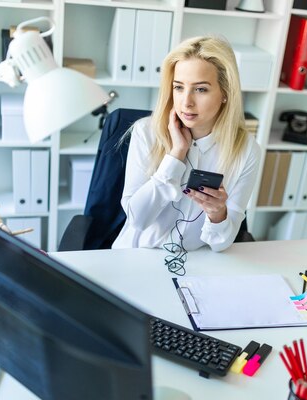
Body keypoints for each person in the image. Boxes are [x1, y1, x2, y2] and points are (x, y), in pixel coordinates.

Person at [112, 36, 261, 252]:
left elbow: (221, 244)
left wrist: (218, 213)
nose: (186, 102)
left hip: (195, 264)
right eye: (179, 87)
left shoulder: (246, 149)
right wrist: (175, 155)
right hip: (137, 256)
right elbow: (138, 220)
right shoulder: (146, 132)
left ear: (225, 93)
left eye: (201, 89)